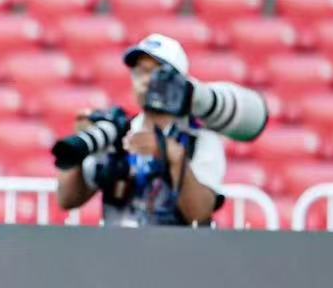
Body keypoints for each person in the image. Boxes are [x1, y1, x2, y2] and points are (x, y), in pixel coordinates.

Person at [53, 34, 228, 227]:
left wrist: (173, 157)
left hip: (175, 254)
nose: (145, 80)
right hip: (117, 253)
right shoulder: (118, 133)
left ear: (179, 82)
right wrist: (78, 151)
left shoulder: (200, 139)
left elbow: (199, 215)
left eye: (157, 72)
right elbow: (67, 200)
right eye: (139, 71)